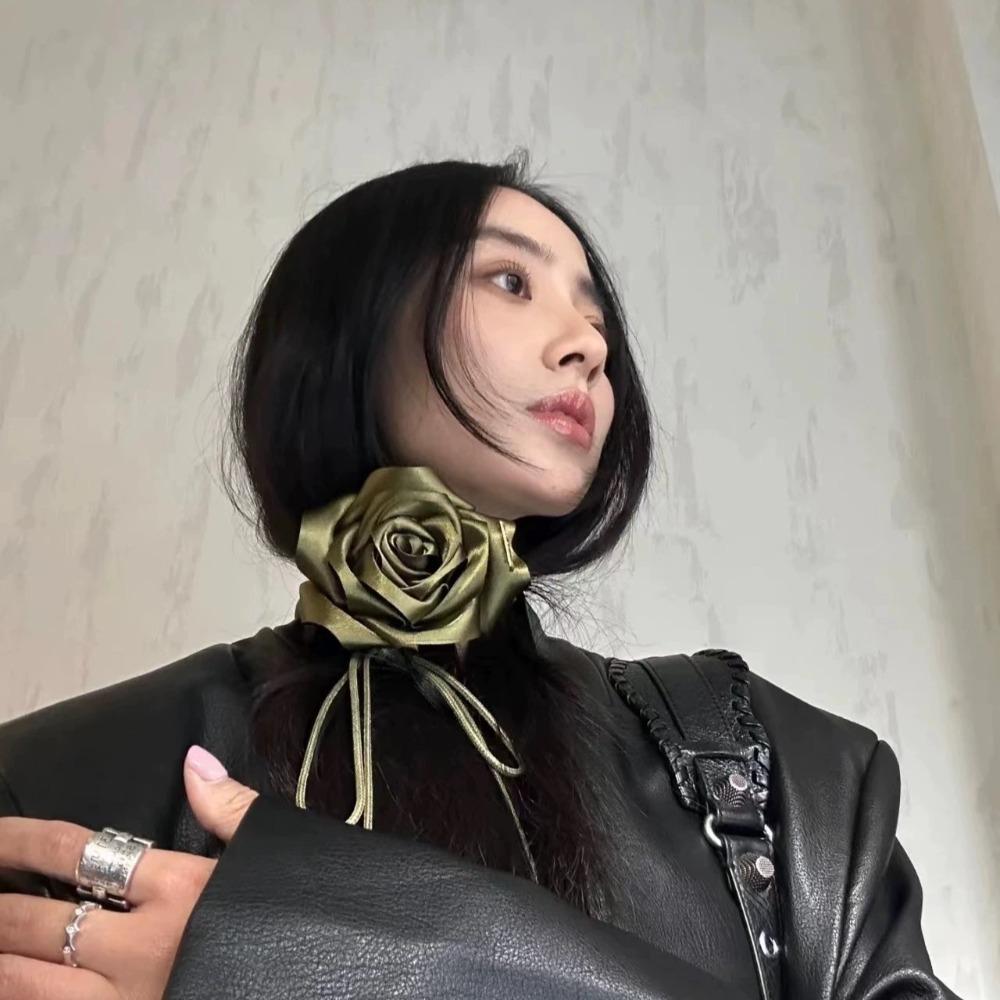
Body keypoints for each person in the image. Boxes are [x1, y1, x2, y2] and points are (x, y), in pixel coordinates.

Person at [0, 151, 961, 999]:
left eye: (597, 321)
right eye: (510, 280)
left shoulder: (791, 780)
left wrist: (334, 965)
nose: (590, 347)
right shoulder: (60, 781)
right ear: (348, 325)